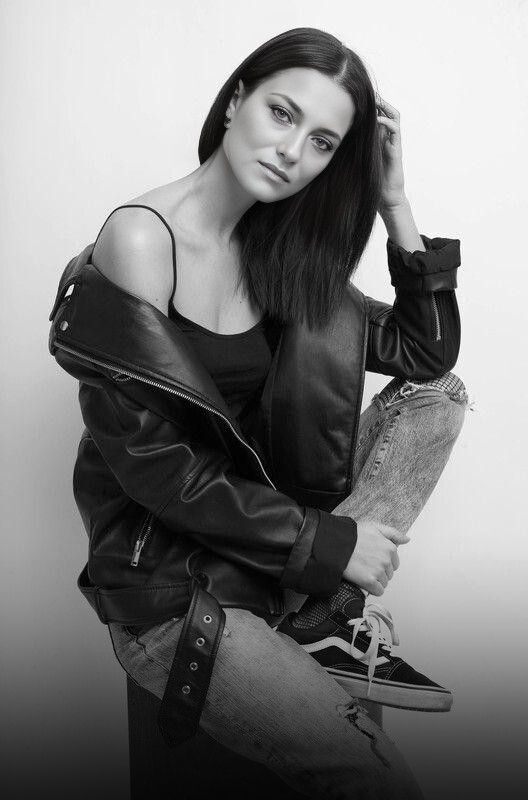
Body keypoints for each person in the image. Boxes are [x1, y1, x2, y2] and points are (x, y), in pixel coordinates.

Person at [48, 26, 469, 799]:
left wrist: (394, 201)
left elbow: (425, 354)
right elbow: (158, 470)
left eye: (322, 143)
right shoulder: (142, 240)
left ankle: (317, 610)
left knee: (438, 396)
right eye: (282, 113)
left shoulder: (273, 249)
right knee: (380, 780)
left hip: (262, 546)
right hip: (174, 592)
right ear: (237, 98)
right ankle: (319, 592)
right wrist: (329, 542)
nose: (291, 151)